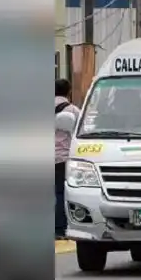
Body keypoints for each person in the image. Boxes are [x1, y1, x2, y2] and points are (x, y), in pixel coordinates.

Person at [55, 78, 81, 239]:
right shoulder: (73, 111)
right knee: (60, 193)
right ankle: (59, 228)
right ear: (69, 91)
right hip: (61, 158)